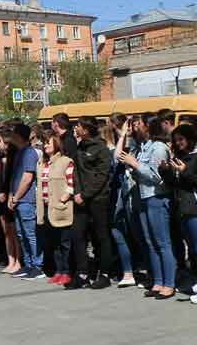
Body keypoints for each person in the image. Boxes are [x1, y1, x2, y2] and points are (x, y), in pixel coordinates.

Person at [117, 114, 175, 299]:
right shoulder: (143, 147)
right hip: (143, 197)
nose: (135, 126)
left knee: (162, 242)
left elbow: (157, 177)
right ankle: (158, 281)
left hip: (156, 197)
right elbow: (120, 157)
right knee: (150, 242)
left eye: (138, 123)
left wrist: (135, 164)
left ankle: (169, 283)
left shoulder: (158, 148)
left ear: (148, 127)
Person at [65, 116, 114, 290]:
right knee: (77, 235)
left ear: (86, 129)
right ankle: (82, 274)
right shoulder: (80, 147)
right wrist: (77, 192)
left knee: (101, 237)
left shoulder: (101, 149)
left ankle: (105, 274)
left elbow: (101, 176)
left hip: (98, 199)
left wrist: (85, 195)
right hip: (81, 199)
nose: (75, 128)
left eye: (78, 126)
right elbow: (77, 173)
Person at [111, 113, 147, 288]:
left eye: (134, 126)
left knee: (140, 234)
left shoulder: (140, 146)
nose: (132, 129)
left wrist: (124, 134)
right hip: (125, 193)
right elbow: (117, 155)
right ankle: (129, 273)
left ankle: (149, 272)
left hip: (137, 193)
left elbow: (118, 157)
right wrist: (123, 135)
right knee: (120, 230)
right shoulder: (128, 144)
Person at [36, 131, 75, 286]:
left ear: (57, 145)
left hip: (60, 208)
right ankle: (58, 271)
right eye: (44, 143)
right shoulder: (41, 163)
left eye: (48, 143)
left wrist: (64, 198)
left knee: (65, 242)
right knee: (53, 243)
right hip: (45, 208)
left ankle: (67, 271)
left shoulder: (66, 161)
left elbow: (71, 184)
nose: (45, 145)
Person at [165, 124, 197, 303]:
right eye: (176, 140)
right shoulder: (179, 157)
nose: (178, 143)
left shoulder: (195, 157)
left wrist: (185, 171)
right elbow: (176, 184)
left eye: (181, 140)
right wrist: (166, 171)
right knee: (192, 250)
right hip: (182, 209)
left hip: (194, 209)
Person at [8, 124, 44, 280]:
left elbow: (27, 178)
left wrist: (16, 197)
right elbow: (15, 177)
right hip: (17, 199)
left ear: (19, 136)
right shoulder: (19, 153)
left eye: (13, 135)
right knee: (21, 234)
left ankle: (37, 266)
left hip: (26, 200)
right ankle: (28, 264)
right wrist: (11, 195)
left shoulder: (29, 153)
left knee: (30, 234)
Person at [0, 128, 21, 275]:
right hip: (1, 199)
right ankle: (11, 260)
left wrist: (8, 193)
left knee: (14, 231)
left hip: (12, 198)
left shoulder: (15, 158)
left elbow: (15, 179)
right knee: (6, 232)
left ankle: (18, 260)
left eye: (1, 142)